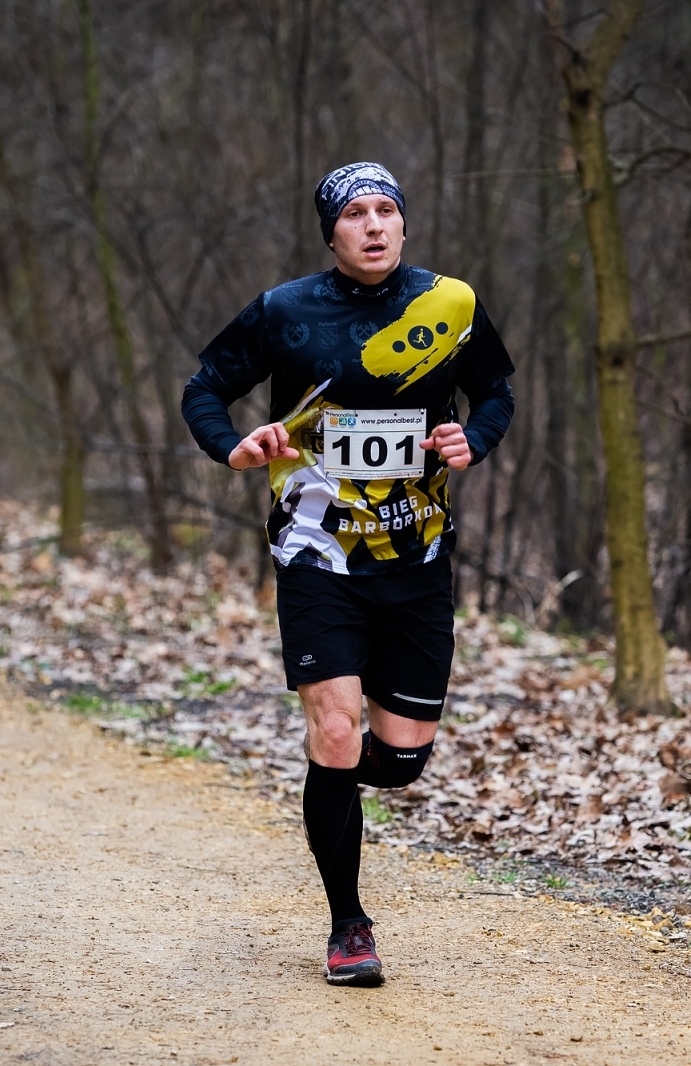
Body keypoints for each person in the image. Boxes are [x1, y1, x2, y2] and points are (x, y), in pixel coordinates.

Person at [181, 162, 515, 986]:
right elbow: (205, 390)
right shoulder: (285, 312)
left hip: (417, 558)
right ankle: (348, 926)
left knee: (398, 762)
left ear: (404, 225)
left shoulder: (453, 305)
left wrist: (475, 438)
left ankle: (331, 788)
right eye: (355, 213)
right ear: (331, 233)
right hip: (316, 554)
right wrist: (235, 444)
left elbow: (496, 390)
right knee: (337, 733)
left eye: (386, 211)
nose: (372, 225)